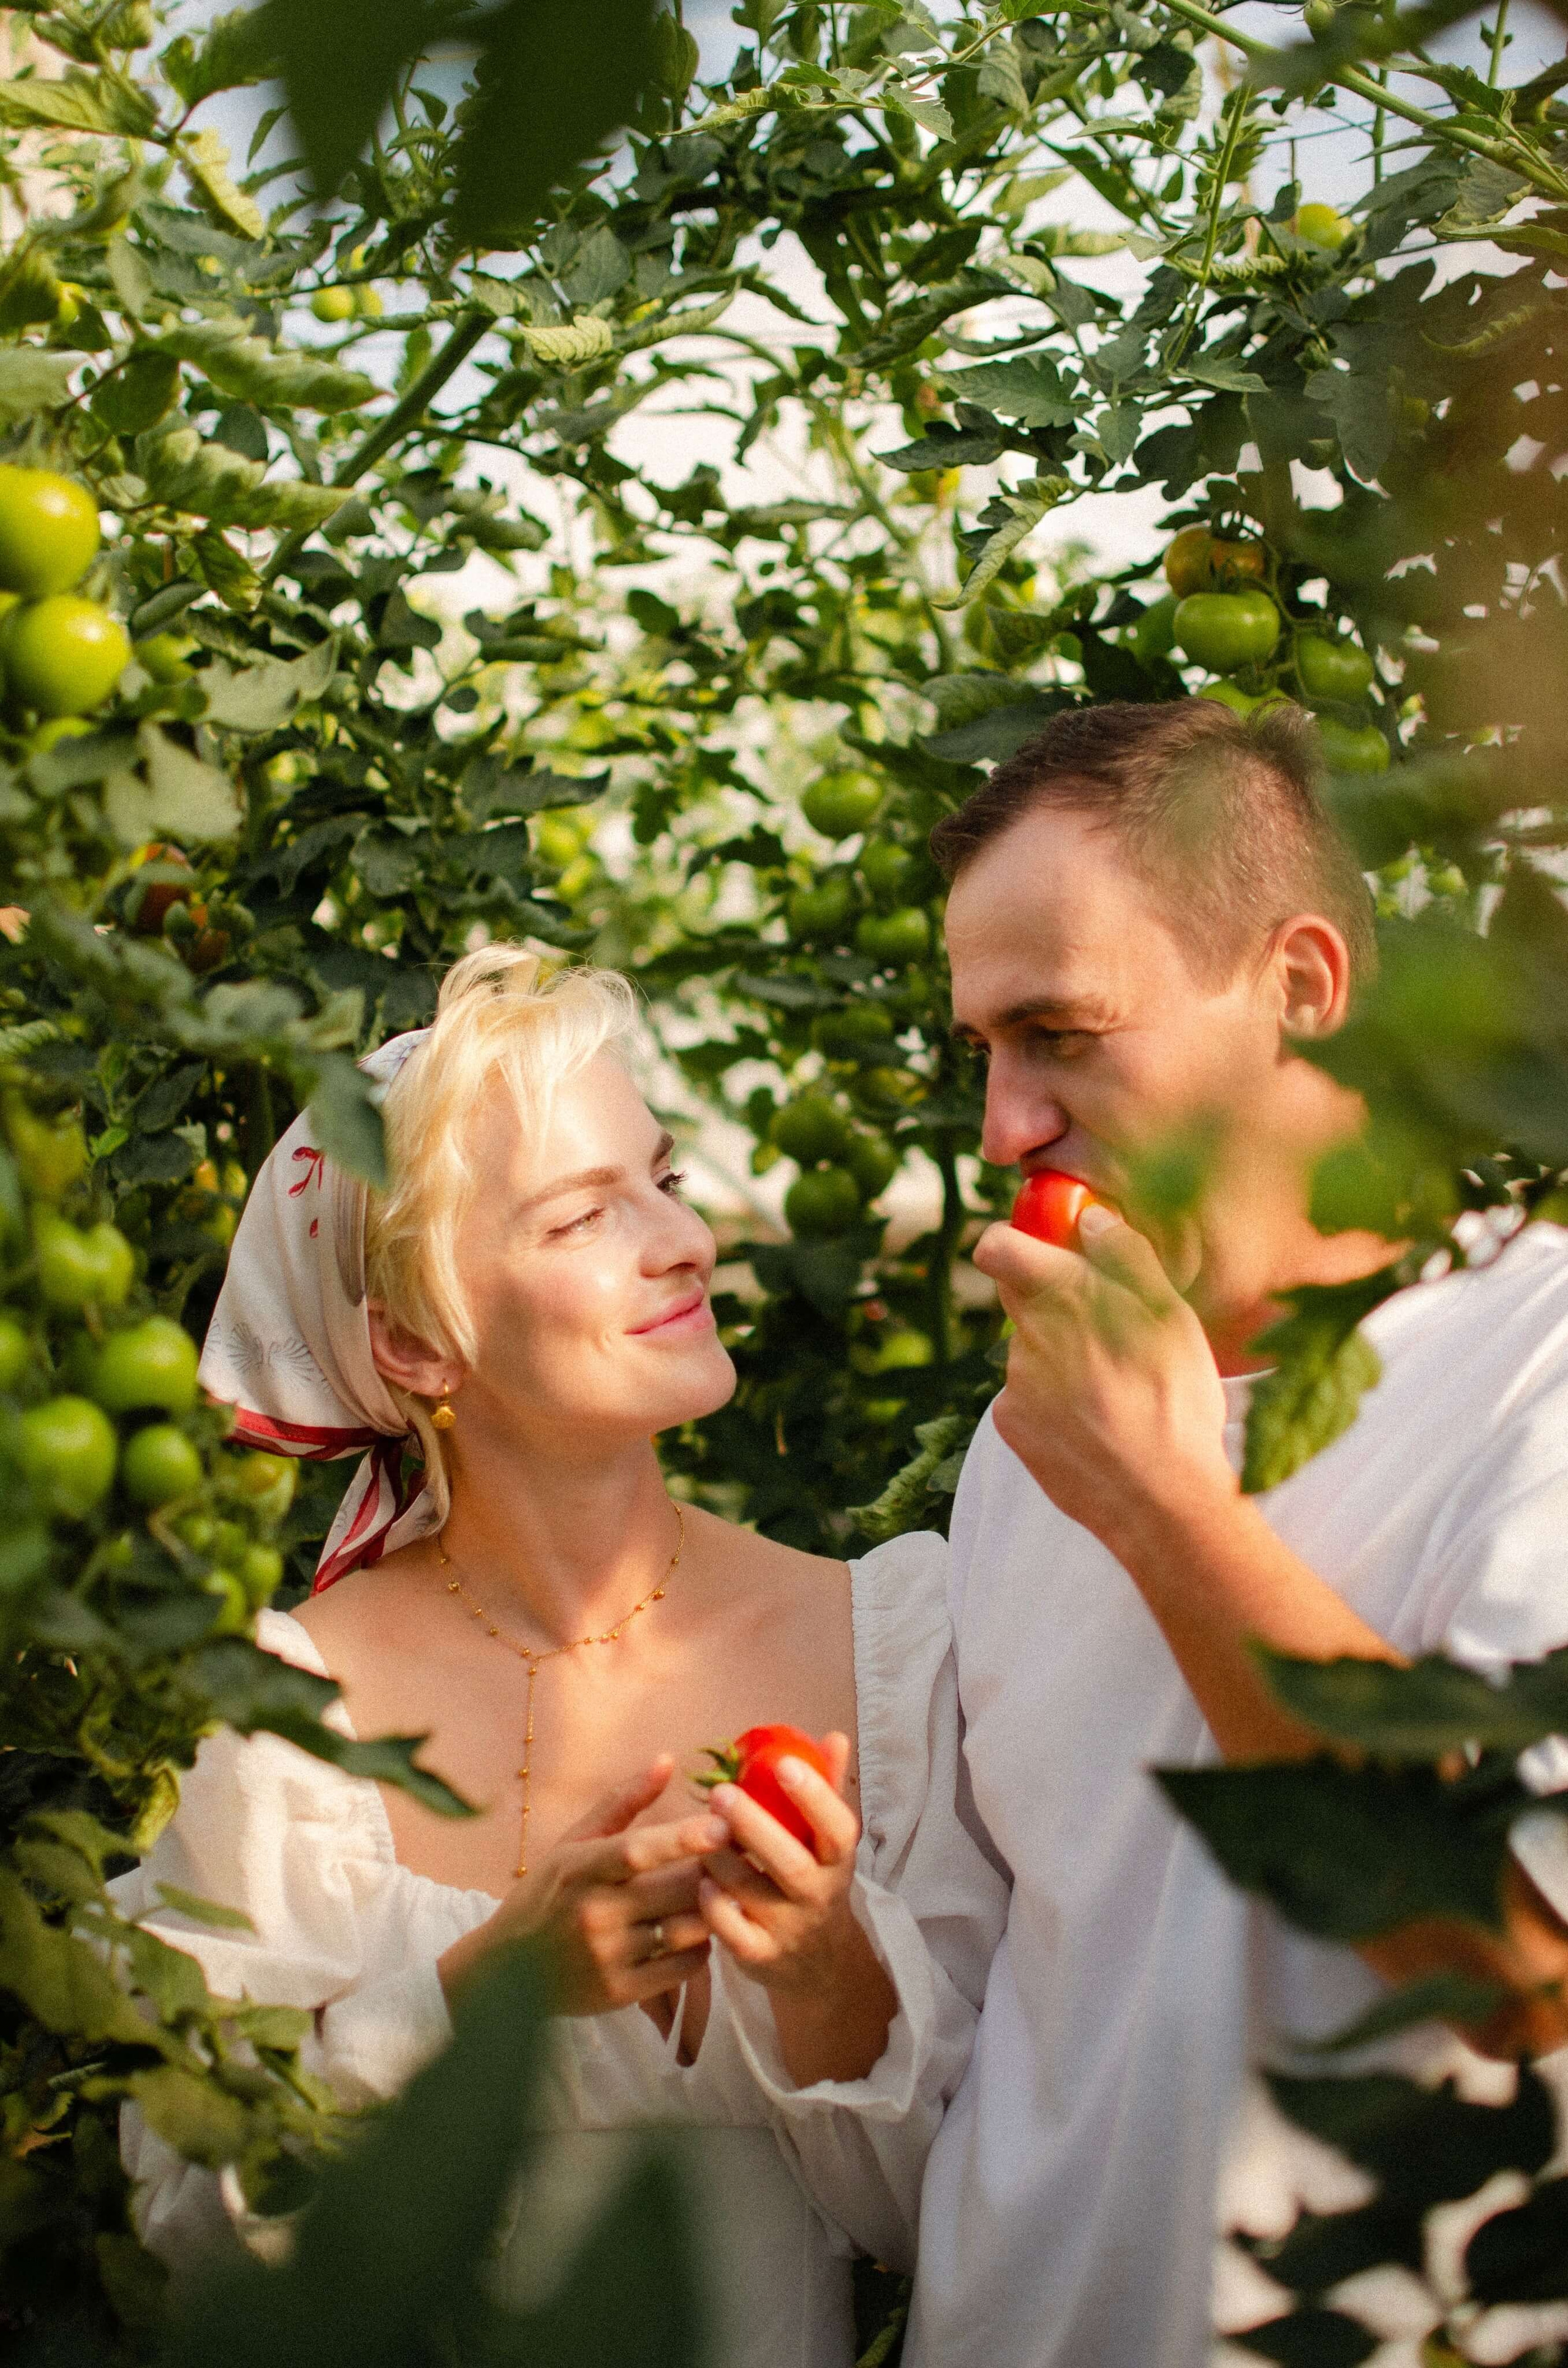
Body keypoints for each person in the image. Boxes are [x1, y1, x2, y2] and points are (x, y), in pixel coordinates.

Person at [111, 945, 1007, 2368]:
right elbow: (194, 2233)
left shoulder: (892, 1642)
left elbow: (963, 2229)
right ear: (412, 1342)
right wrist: (478, 1995)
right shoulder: (284, 1720)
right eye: (586, 1215)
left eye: (664, 1179)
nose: (683, 1242)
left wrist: (829, 1967)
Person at [903, 698, 1568, 2368]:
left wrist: (1164, 1504)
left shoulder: (1538, 1363)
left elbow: (1513, 1953)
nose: (1004, 1129)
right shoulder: (1023, 1439)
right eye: (983, 1049)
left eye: (1061, 1032)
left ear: (1302, 991)